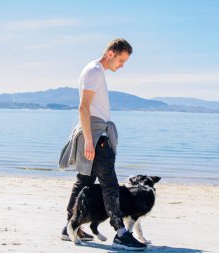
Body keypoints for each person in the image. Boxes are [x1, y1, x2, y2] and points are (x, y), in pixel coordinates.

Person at [59, 38, 147, 250]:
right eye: (121, 60)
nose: (122, 65)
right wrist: (90, 141)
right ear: (111, 54)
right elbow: (83, 108)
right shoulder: (95, 71)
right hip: (96, 136)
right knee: (110, 185)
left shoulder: (94, 70)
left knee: (84, 181)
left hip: (95, 132)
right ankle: (120, 233)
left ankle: (69, 228)